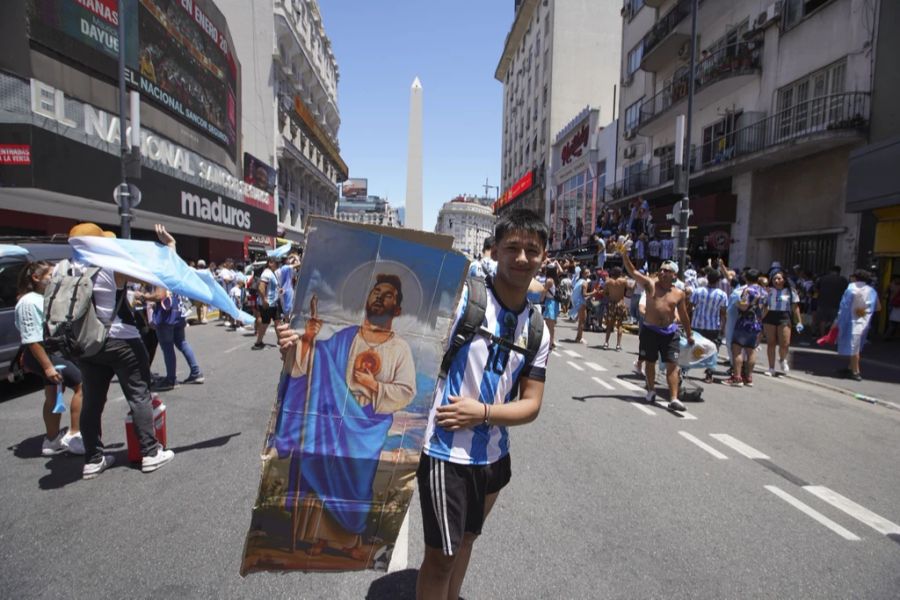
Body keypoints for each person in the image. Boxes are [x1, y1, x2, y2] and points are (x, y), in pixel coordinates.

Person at [409, 209, 550, 599]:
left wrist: (483, 412)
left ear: (544, 256)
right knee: (441, 559)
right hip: (444, 452)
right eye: (513, 248)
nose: (522, 258)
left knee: (467, 542)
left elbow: (531, 404)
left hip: (493, 459)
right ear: (496, 252)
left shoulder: (537, 328)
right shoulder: (462, 301)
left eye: (532, 250)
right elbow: (394, 336)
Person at [272, 274, 416, 559]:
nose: (378, 296)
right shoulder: (346, 337)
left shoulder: (400, 349)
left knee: (356, 484)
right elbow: (314, 366)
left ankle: (350, 541)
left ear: (397, 309)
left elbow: (406, 391)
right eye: (375, 291)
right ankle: (319, 537)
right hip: (332, 421)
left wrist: (373, 385)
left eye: (387, 295)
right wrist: (305, 339)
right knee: (321, 469)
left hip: (365, 427)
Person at [65, 223, 174, 478]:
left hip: (86, 342)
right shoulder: (109, 264)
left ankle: (93, 459)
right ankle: (150, 452)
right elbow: (156, 276)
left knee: (92, 401)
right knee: (139, 394)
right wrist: (169, 246)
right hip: (120, 339)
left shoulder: (67, 267)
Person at [14, 260, 85, 456]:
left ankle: (52, 440)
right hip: (43, 354)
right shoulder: (29, 302)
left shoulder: (43, 297)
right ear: (36, 278)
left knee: (53, 393)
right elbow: (32, 339)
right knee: (82, 385)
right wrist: (47, 367)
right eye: (51, 275)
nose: (55, 278)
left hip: (51, 352)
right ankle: (75, 435)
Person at [621, 248, 694, 411]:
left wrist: (690, 334)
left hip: (670, 332)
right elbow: (632, 271)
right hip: (650, 331)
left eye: (667, 271)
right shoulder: (650, 285)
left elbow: (684, 315)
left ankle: (674, 398)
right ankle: (651, 390)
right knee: (650, 362)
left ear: (674, 275)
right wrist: (624, 254)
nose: (662, 272)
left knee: (672, 365)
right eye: (661, 270)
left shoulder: (678, 293)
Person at [145, 286, 204, 390]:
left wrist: (144, 296)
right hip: (178, 312)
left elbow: (160, 295)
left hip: (165, 316)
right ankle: (196, 372)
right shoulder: (173, 273)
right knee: (182, 343)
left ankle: (171, 379)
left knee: (167, 347)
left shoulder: (160, 274)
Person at [724, 269, 766, 387]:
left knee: (737, 348)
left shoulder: (748, 290)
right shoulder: (764, 292)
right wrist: (759, 317)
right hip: (756, 323)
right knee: (751, 350)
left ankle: (737, 377)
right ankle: (749, 377)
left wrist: (736, 302)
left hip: (744, 323)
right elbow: (766, 309)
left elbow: (743, 306)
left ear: (746, 278)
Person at [836, 270, 880, 381]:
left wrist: (836, 322)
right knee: (857, 346)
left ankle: (856, 372)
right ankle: (851, 368)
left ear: (855, 278)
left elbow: (844, 307)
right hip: (864, 320)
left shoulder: (851, 289)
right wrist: (865, 311)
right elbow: (878, 307)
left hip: (851, 320)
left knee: (853, 347)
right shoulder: (872, 291)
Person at [688, 269, 729, 383]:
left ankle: (685, 369)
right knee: (713, 350)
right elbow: (723, 313)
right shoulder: (722, 294)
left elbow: (690, 307)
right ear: (718, 281)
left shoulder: (698, 291)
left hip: (697, 324)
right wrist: (723, 327)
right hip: (713, 326)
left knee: (692, 347)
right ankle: (709, 374)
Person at [763, 270, 803, 377]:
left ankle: (782, 359)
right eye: (774, 278)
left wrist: (799, 322)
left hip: (784, 316)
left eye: (779, 278)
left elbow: (795, 307)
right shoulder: (768, 290)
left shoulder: (791, 291)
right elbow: (762, 304)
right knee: (771, 343)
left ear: (784, 280)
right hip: (770, 315)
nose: (776, 280)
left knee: (785, 342)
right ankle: (771, 368)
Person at [254, 257, 280, 350]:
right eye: (276, 263)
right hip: (268, 304)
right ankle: (258, 343)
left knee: (277, 321)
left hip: (273, 303)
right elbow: (261, 287)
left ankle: (280, 341)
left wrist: (279, 291)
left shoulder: (272, 273)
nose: (278, 265)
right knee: (265, 323)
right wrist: (264, 300)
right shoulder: (267, 273)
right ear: (270, 263)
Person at [815, 266, 848, 336]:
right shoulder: (843, 280)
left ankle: (822, 335)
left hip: (822, 303)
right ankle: (832, 337)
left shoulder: (822, 278)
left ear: (830, 271)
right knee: (835, 321)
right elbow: (846, 292)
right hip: (837, 303)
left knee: (822, 320)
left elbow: (816, 289)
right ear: (839, 272)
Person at [602, 266, 628, 351]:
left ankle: (606, 343)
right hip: (620, 303)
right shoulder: (624, 281)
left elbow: (605, 292)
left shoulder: (608, 281)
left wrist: (609, 296)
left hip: (612, 303)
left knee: (609, 325)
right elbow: (628, 290)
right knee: (619, 325)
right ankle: (618, 345)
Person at [885, 276, 900, 340]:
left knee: (891, 321)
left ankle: (888, 335)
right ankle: (892, 334)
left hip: (892, 303)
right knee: (894, 322)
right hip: (896, 305)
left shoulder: (890, 285)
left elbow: (885, 294)